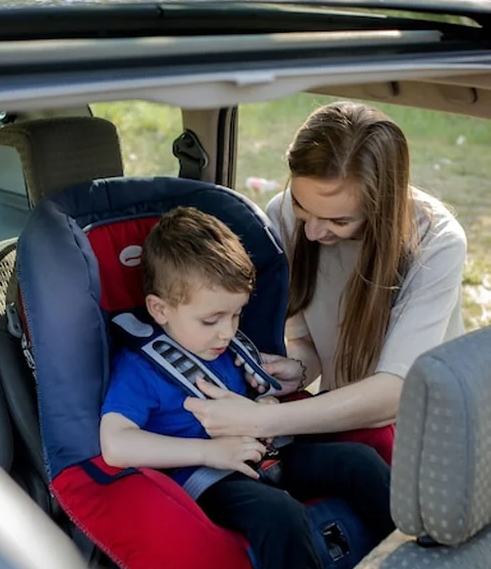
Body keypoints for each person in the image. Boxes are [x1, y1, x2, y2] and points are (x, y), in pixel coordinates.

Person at [100, 206, 392, 569]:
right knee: (279, 514)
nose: (226, 331)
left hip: (271, 451)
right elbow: (115, 443)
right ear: (160, 310)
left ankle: (406, 562)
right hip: (212, 475)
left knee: (359, 460)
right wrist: (208, 451)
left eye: (235, 315)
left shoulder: (229, 345)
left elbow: (260, 394)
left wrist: (270, 399)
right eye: (211, 320)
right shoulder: (142, 370)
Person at [183, 101, 467, 452]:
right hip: (341, 421)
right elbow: (310, 341)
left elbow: (394, 392)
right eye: (303, 209)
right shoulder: (282, 214)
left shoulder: (436, 242)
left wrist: (261, 420)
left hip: (427, 435)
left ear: (382, 205)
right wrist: (298, 369)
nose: (315, 232)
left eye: (340, 221)